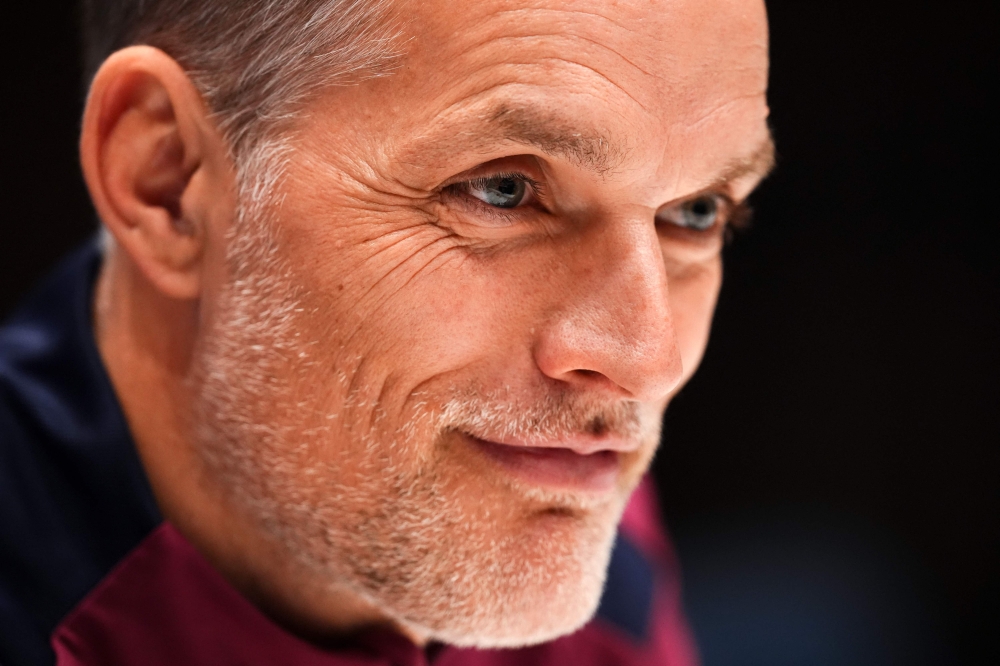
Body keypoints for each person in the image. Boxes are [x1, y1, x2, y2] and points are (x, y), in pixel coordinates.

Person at [0, 0, 774, 663]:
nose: (645, 355)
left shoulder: (540, 473)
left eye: (696, 212)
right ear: (167, 182)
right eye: (501, 190)